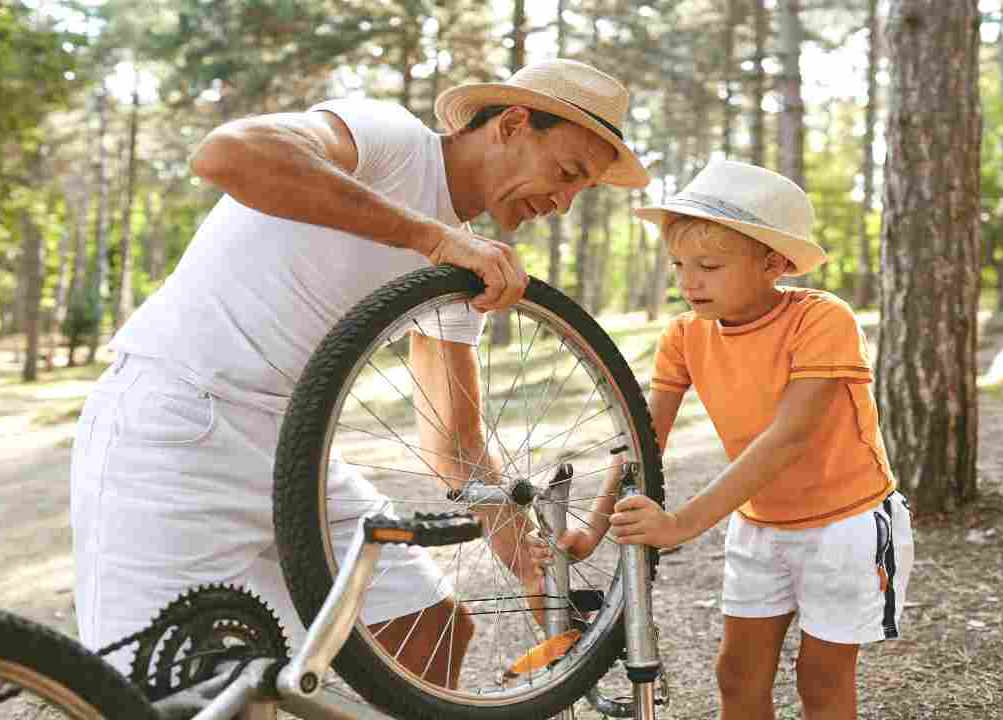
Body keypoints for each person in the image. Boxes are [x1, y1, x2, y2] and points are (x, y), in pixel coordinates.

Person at [68, 58, 649, 687]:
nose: (563, 204)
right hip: (176, 425)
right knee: (157, 689)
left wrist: (527, 562)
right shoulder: (389, 140)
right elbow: (225, 154)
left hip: (296, 452)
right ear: (510, 125)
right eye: (567, 174)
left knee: (427, 626)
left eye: (580, 191)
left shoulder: (460, 265)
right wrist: (430, 238)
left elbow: (454, 445)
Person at [540, 159, 914, 719]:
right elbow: (644, 440)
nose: (689, 282)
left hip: (847, 524)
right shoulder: (684, 335)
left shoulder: (822, 320)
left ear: (775, 263)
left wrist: (683, 523)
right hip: (761, 525)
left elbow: (788, 437)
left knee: (821, 676)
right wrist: (592, 531)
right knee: (736, 675)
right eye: (679, 265)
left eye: (709, 266)